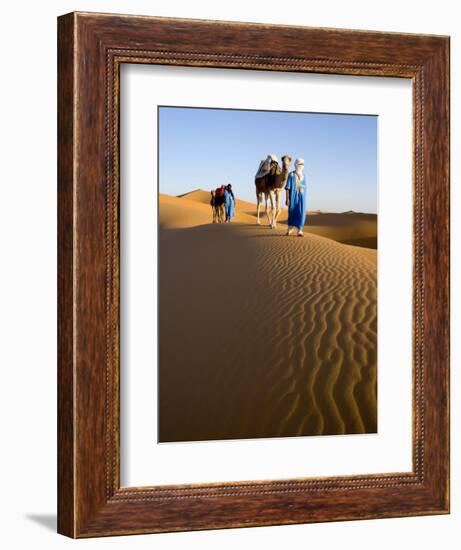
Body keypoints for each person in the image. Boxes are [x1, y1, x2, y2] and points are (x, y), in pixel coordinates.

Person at [285, 158, 307, 237]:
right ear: (296, 165)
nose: (302, 166)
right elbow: (287, 187)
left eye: (303, 164)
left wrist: (301, 187)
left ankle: (300, 230)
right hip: (293, 197)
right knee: (292, 212)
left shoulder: (304, 176)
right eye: (300, 164)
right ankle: (290, 228)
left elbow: (305, 187)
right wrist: (287, 198)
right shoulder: (291, 174)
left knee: (301, 213)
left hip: (302, 197)